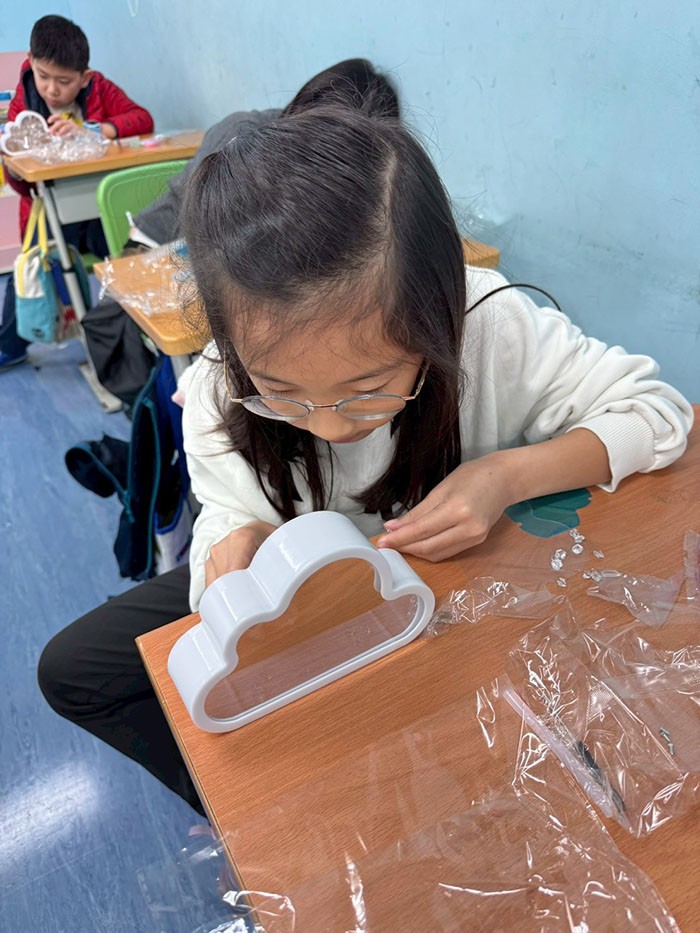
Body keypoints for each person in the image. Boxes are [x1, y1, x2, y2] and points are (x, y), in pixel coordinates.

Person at [38, 105, 693, 818]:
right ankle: (237, 814)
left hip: (458, 624)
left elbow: (656, 414)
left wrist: (504, 476)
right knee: (79, 670)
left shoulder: (489, 329)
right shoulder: (217, 391)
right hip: (325, 629)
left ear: (436, 317)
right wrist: (231, 544)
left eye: (368, 388)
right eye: (281, 390)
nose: (328, 425)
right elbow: (223, 512)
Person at [0, 14, 154, 371]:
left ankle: (138, 335)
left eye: (64, 82)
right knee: (32, 264)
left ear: (84, 77)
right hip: (48, 210)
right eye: (43, 76)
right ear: (31, 63)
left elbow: (142, 119)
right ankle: (10, 344)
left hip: (98, 207)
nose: (52, 90)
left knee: (130, 258)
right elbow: (22, 184)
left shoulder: (99, 88)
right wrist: (18, 163)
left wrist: (96, 131)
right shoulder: (25, 100)